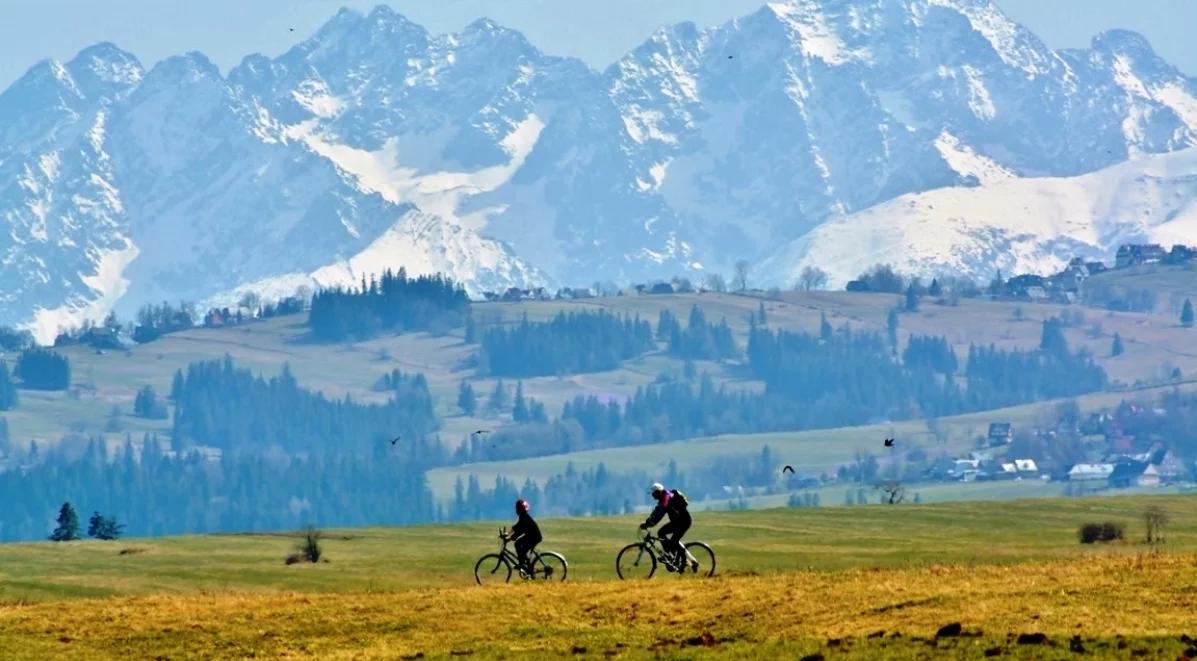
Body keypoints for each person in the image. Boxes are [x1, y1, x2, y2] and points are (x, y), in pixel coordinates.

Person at [640, 482, 696, 572]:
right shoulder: (664, 497)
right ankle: (670, 554)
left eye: (653, 494)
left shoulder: (666, 498)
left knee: (674, 541)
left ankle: (683, 562)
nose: (652, 496)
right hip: (677, 522)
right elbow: (656, 512)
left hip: (683, 522)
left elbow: (659, 514)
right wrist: (648, 522)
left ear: (658, 492)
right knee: (661, 533)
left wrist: (647, 524)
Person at [509, 498, 542, 572]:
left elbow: (520, 530)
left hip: (534, 537)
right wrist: (508, 534)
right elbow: (517, 526)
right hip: (531, 536)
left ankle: (522, 564)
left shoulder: (524, 517)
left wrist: (510, 538)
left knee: (519, 546)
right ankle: (523, 564)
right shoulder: (523, 516)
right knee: (518, 544)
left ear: (518, 509)